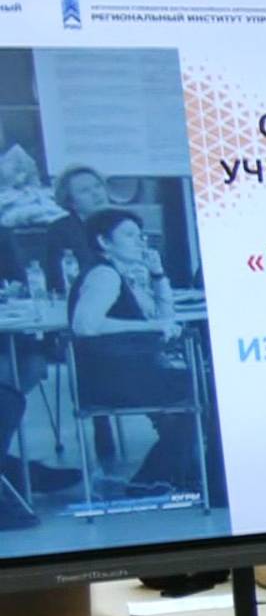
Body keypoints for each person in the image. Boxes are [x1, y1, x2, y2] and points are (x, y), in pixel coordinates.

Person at [69, 209, 201, 496]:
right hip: (111, 379)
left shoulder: (121, 274)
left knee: (195, 390)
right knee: (204, 389)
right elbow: (85, 325)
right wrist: (151, 326)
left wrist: (158, 275)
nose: (140, 242)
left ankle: (173, 473)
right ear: (104, 241)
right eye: (129, 235)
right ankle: (153, 478)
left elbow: (165, 318)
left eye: (140, 236)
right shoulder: (104, 275)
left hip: (130, 372)